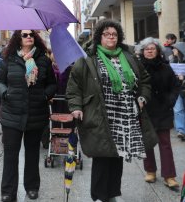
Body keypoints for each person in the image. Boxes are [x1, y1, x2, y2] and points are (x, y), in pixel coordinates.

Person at [66, 19, 158, 202]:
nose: (111, 37)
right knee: (102, 158)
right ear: (100, 36)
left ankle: (112, 194)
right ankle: (99, 196)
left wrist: (142, 97)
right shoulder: (88, 59)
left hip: (125, 116)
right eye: (106, 34)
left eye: (114, 34)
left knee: (118, 157)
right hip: (100, 114)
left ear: (119, 37)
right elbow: (74, 86)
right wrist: (76, 107)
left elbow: (145, 81)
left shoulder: (129, 56)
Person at [0, 30, 57, 201]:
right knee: (10, 156)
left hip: (35, 114)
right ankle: (8, 192)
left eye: (31, 34)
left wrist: (45, 95)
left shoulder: (43, 60)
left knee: (32, 153)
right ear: (18, 39)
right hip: (12, 115)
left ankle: (32, 187)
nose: (29, 36)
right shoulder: (9, 59)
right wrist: (5, 93)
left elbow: (52, 84)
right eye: (25, 35)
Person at [139, 37, 180, 189]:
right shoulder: (138, 67)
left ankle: (169, 175)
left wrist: (170, 101)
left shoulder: (165, 67)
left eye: (152, 48)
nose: (149, 51)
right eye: (146, 49)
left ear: (157, 51)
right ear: (142, 52)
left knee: (165, 144)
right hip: (145, 111)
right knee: (147, 143)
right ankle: (150, 171)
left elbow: (175, 87)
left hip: (163, 110)